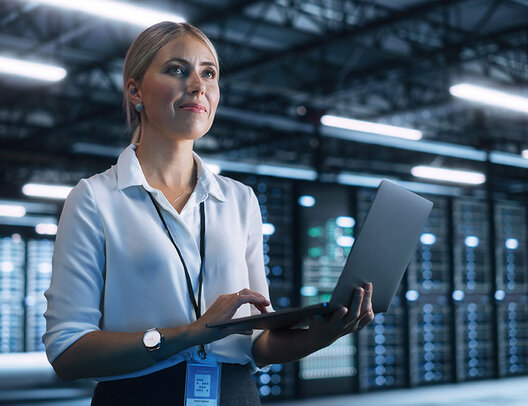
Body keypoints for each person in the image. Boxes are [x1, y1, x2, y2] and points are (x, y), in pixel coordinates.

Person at [43, 21, 374, 405]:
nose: (198, 85)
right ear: (135, 90)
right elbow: (66, 352)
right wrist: (192, 333)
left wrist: (323, 334)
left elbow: (256, 342)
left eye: (209, 73)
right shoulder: (95, 199)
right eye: (177, 70)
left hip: (235, 395)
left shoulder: (239, 200)